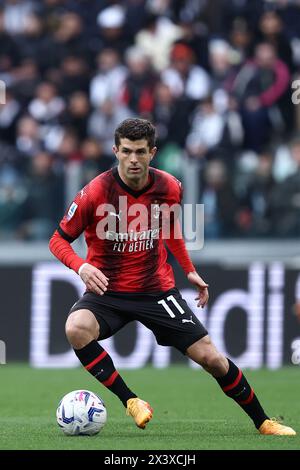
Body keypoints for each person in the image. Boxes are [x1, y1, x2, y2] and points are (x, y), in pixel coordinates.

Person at [49, 118, 295, 436]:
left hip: (155, 291)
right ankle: (131, 401)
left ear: (153, 152)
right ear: (115, 151)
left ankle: (263, 421)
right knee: (76, 329)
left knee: (211, 358)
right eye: (126, 151)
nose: (133, 159)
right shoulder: (95, 192)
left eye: (140, 152)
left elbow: (170, 229)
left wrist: (189, 269)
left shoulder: (169, 186)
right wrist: (81, 266)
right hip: (108, 291)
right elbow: (57, 240)